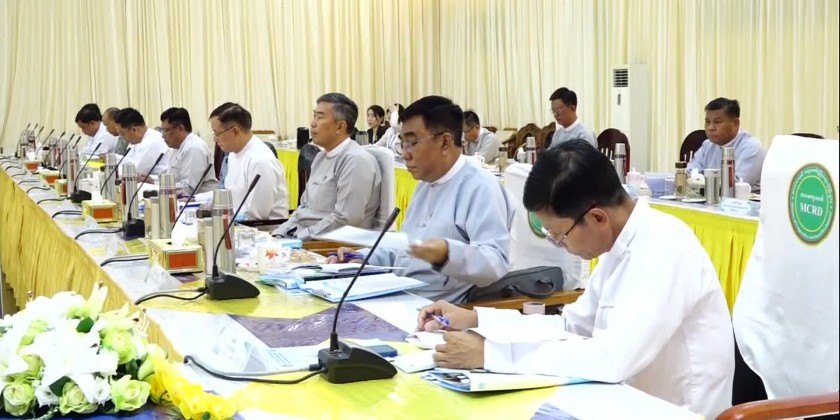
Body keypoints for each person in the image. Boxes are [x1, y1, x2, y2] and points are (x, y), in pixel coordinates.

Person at [417, 139, 734, 418]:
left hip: (675, 411)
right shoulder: (619, 244)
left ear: (597, 218)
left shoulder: (663, 246)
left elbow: (611, 360)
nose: (561, 246)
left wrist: (491, 354)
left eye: (559, 235)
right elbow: (570, 326)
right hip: (621, 400)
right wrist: (476, 320)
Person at [331, 96, 513, 303]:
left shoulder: (480, 187)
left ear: (445, 142)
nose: (404, 154)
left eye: (412, 143)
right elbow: (405, 249)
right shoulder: (426, 182)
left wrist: (447, 253)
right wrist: (360, 257)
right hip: (398, 293)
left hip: (434, 307)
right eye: (402, 144)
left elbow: (495, 263)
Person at [273, 93, 381, 240]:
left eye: (320, 117)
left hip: (329, 244)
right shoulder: (320, 157)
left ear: (340, 126)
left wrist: (298, 239)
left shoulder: (355, 161)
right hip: (301, 238)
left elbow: (345, 219)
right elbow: (303, 208)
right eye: (314, 116)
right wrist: (278, 234)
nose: (312, 123)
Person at [209, 103, 288, 220]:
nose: (214, 139)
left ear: (235, 132)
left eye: (217, 133)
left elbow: (257, 215)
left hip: (262, 228)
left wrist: (222, 220)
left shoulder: (260, 161)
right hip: (235, 224)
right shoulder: (233, 155)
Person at [687, 97, 765, 191]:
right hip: (708, 198)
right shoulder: (707, 145)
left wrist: (700, 181)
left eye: (717, 122)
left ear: (735, 124)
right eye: (707, 122)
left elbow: (734, 185)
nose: (710, 127)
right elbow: (689, 174)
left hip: (742, 200)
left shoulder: (752, 148)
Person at [160, 107, 219, 194]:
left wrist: (160, 190)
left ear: (180, 129)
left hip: (201, 200)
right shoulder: (176, 148)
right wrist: (153, 181)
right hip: (182, 199)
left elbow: (188, 188)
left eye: (166, 130)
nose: (162, 136)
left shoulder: (194, 147)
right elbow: (168, 179)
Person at [114, 107, 169, 178]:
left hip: (159, 183)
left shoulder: (153, 141)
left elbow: (135, 171)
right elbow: (127, 162)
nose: (121, 137)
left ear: (134, 130)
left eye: (122, 134)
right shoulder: (135, 141)